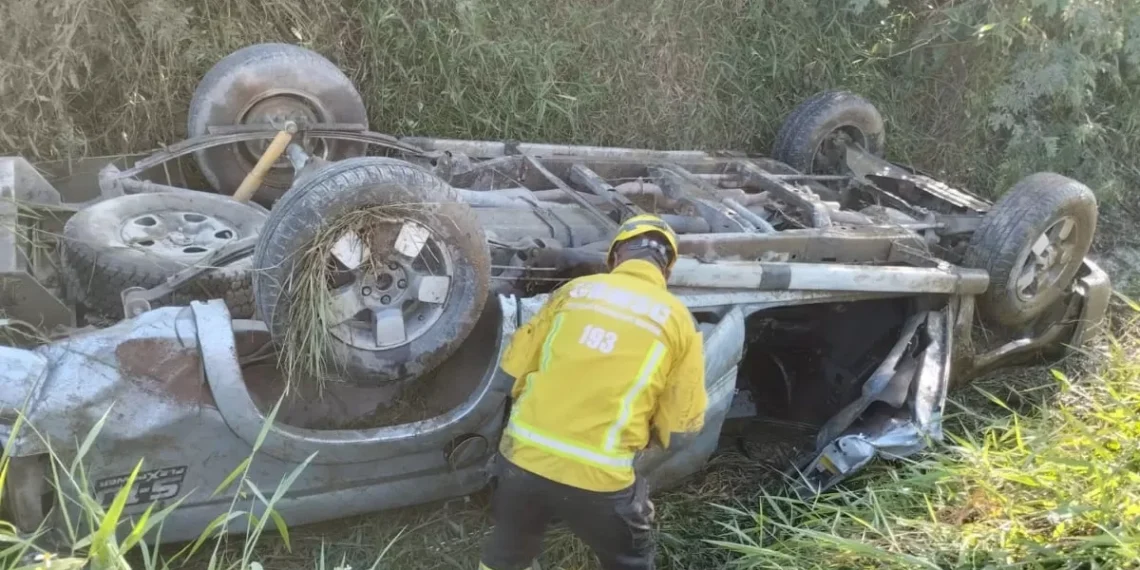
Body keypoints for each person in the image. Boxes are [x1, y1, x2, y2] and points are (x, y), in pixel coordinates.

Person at [478, 214, 709, 570]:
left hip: (521, 465)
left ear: (615, 257)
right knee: (629, 562)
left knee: (506, 555)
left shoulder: (573, 292)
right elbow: (681, 431)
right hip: (601, 484)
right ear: (667, 271)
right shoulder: (679, 321)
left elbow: (510, 372)